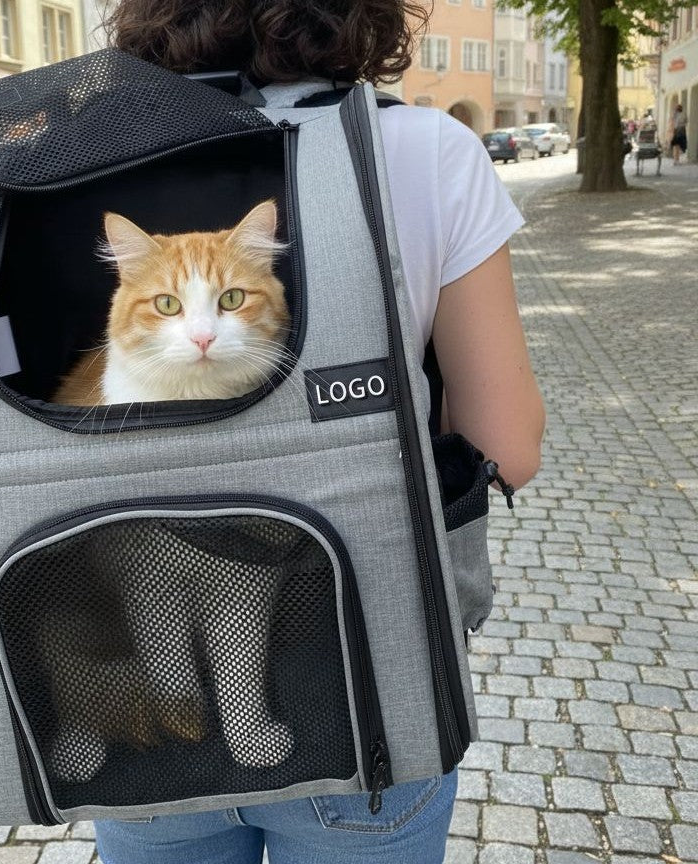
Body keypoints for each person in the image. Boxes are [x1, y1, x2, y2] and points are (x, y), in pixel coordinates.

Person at [93, 2, 545, 862]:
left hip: (144, 732)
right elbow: (508, 451)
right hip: (366, 703)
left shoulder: (82, 156)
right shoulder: (428, 152)